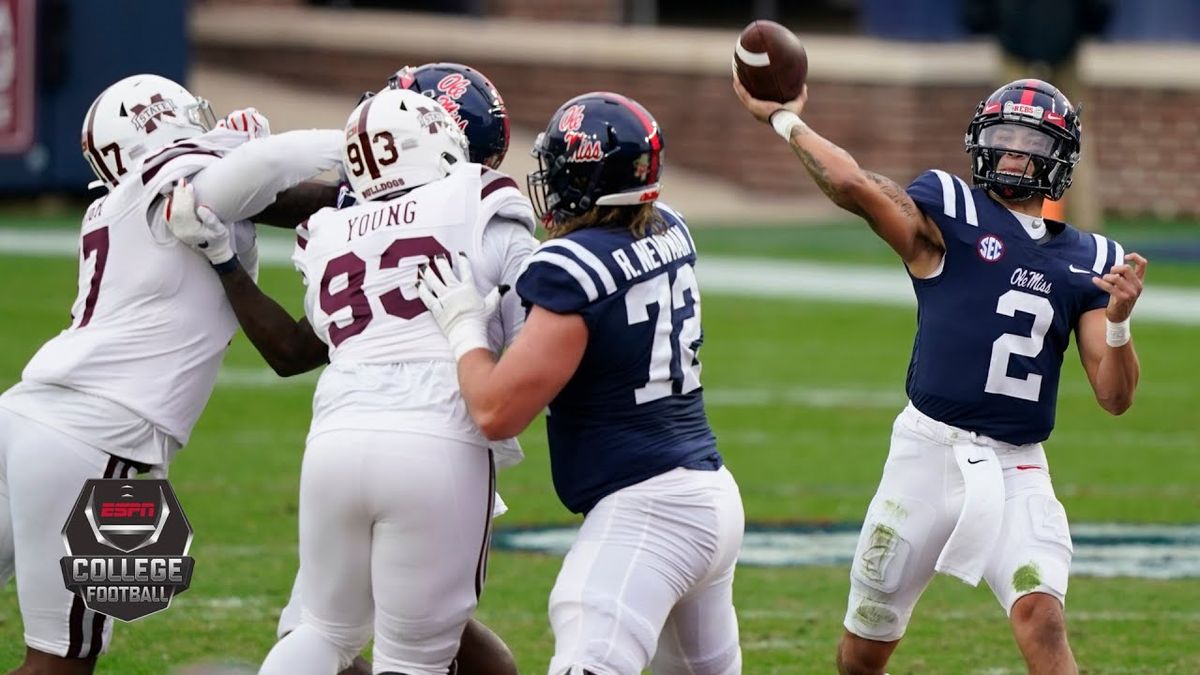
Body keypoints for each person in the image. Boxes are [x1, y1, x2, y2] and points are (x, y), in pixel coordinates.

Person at [734, 75, 1145, 674]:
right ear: (978, 141)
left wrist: (1119, 322)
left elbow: (1115, 396)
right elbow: (852, 183)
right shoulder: (949, 211)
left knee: (1044, 617)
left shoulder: (1093, 259)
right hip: (926, 454)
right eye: (1002, 138)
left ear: (1059, 158)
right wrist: (785, 118)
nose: (1012, 153)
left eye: (1029, 142)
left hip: (1016, 466)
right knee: (864, 650)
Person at [168, 62, 527, 675]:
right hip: (437, 435)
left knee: (322, 632)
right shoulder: (481, 198)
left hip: (336, 437)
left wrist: (224, 210)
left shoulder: (331, 228)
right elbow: (531, 335)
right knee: (415, 653)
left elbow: (299, 335)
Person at [0, 74, 341, 675]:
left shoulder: (127, 204)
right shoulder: (178, 182)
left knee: (132, 592)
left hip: (32, 422)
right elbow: (271, 161)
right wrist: (374, 141)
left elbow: (276, 195)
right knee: (60, 663)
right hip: (98, 443)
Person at [415, 92, 745, 675]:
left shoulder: (570, 269)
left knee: (585, 630)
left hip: (649, 513)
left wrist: (464, 325)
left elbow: (496, 411)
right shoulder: (672, 229)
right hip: (710, 496)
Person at [966, 0, 1112, 232]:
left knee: (1002, 132)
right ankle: (1085, 230)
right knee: (1072, 137)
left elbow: (977, 14)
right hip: (1063, 41)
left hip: (1016, 40)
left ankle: (992, 222)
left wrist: (985, 21)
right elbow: (1098, 10)